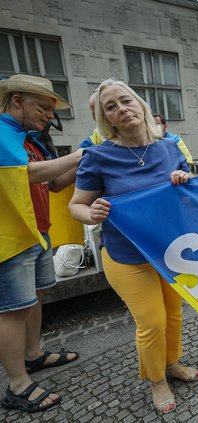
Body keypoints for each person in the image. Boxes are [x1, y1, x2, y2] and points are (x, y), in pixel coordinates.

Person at [69, 79, 198, 414]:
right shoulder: (98, 156)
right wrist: (91, 212)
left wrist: (183, 182)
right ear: (106, 118)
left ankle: (172, 363)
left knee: (173, 314)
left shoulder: (170, 147)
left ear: (141, 106)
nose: (120, 109)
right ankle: (157, 380)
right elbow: (76, 205)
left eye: (125, 101)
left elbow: (190, 195)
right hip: (127, 257)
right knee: (152, 321)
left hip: (169, 250)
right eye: (110, 107)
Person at [0, 74, 83, 413]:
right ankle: (17, 385)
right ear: (17, 100)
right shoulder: (3, 132)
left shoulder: (30, 139)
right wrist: (82, 154)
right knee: (12, 309)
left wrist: (87, 162)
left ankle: (33, 355)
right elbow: (30, 174)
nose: (50, 115)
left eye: (51, 110)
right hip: (11, 237)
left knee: (36, 297)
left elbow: (55, 183)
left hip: (36, 231)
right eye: (43, 108)